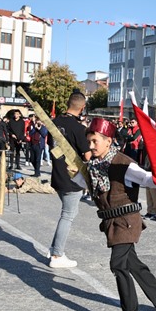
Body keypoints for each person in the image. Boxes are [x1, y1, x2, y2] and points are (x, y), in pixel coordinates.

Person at [83, 117, 156, 311]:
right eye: (89, 142)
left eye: (95, 141)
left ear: (108, 141)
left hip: (127, 221)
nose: (91, 146)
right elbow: (80, 184)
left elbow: (148, 179)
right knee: (132, 264)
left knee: (118, 265)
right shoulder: (94, 166)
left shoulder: (124, 163)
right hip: (110, 222)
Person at [48, 92, 91, 269]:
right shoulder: (78, 128)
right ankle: (57, 255)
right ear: (82, 108)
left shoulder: (55, 122)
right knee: (68, 215)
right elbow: (88, 155)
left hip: (57, 173)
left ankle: (53, 248)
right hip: (71, 177)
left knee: (66, 213)